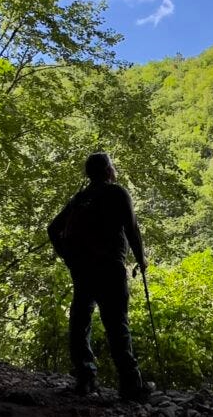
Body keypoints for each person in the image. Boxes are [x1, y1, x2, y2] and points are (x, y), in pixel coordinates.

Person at [47, 152, 153, 402]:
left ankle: (85, 379)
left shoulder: (81, 198)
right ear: (108, 170)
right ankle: (130, 385)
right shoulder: (117, 193)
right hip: (110, 268)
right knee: (117, 325)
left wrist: (68, 257)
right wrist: (141, 259)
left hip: (83, 269)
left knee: (81, 320)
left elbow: (53, 229)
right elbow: (132, 228)